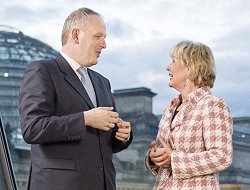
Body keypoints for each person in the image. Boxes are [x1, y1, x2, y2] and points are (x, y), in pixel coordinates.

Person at [19, 7, 132, 190]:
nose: (104, 44)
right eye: (98, 37)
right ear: (76, 35)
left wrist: (122, 136)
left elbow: (104, 142)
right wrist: (85, 119)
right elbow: (32, 129)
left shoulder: (102, 82)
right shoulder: (43, 71)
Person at [145, 40, 233, 190]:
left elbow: (222, 156)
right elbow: (166, 153)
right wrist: (154, 158)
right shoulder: (170, 109)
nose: (168, 67)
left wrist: (174, 159)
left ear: (190, 68)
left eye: (173, 61)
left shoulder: (212, 105)